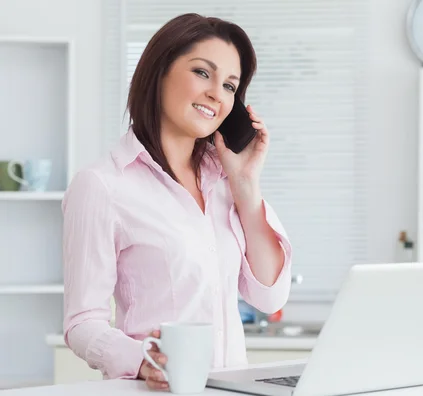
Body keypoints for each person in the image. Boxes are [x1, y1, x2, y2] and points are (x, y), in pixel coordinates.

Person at [61, 13, 293, 391]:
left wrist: (246, 185)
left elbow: (269, 295)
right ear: (160, 70)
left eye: (231, 86)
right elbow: (81, 322)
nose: (218, 94)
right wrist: (142, 360)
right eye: (203, 73)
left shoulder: (227, 183)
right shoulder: (102, 185)